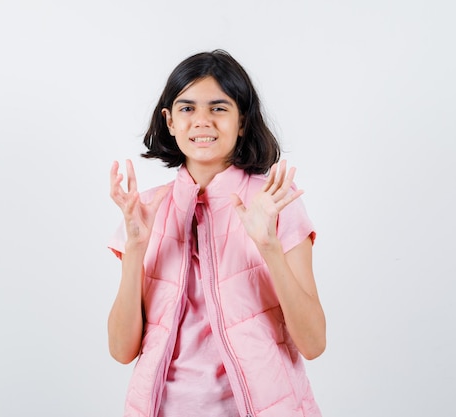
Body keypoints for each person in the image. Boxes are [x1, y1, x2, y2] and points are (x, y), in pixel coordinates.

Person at [107, 49, 326, 417]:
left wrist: (268, 246)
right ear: (170, 121)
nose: (202, 121)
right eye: (187, 108)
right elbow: (121, 351)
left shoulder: (274, 203)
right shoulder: (144, 211)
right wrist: (135, 250)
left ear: (242, 121)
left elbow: (314, 343)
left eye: (219, 108)